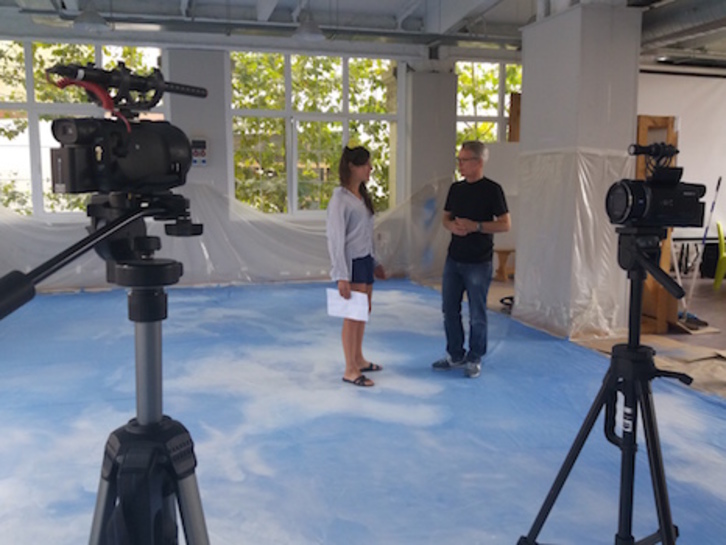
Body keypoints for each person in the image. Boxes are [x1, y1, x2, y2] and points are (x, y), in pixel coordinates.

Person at [432, 140, 511, 378]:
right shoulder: (456, 189)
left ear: (478, 162)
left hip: (479, 261)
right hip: (454, 259)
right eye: (459, 160)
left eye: (464, 160)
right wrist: (452, 227)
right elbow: (445, 218)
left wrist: (476, 226)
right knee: (449, 309)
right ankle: (455, 354)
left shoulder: (492, 190)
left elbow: (505, 224)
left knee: (477, 313)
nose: (460, 165)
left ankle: (475, 356)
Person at [326, 143, 386, 387]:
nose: (370, 168)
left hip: (365, 260)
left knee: (363, 311)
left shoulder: (361, 197)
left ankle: (358, 358)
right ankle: (350, 369)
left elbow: (367, 233)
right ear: (352, 167)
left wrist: (376, 262)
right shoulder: (340, 200)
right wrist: (341, 275)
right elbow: (335, 239)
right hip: (351, 263)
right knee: (352, 315)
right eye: (366, 165)